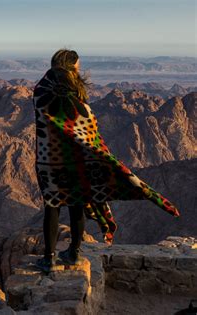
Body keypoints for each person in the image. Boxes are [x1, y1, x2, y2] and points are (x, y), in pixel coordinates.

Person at [32, 48, 180, 273]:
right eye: (78, 67)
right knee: (76, 204)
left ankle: (49, 258)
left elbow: (46, 118)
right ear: (71, 67)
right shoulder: (75, 93)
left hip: (49, 159)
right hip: (77, 159)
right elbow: (86, 124)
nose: (79, 70)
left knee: (52, 207)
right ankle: (74, 252)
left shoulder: (41, 91)